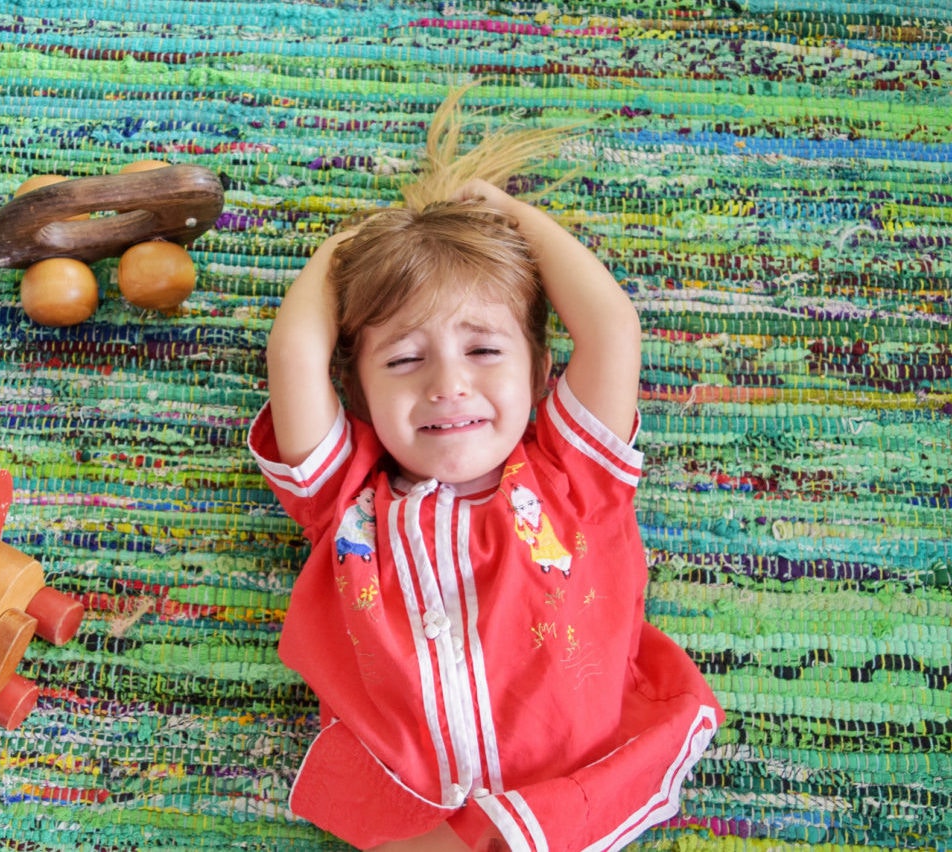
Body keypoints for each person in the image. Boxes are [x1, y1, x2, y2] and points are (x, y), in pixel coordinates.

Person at [249, 85, 723, 851]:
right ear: (360, 396)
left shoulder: (574, 478)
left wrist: (516, 218)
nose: (447, 384)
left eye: (484, 350)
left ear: (541, 373)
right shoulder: (346, 505)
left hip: (579, 778)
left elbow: (610, 328)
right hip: (412, 799)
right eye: (403, 359)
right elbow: (294, 353)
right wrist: (341, 254)